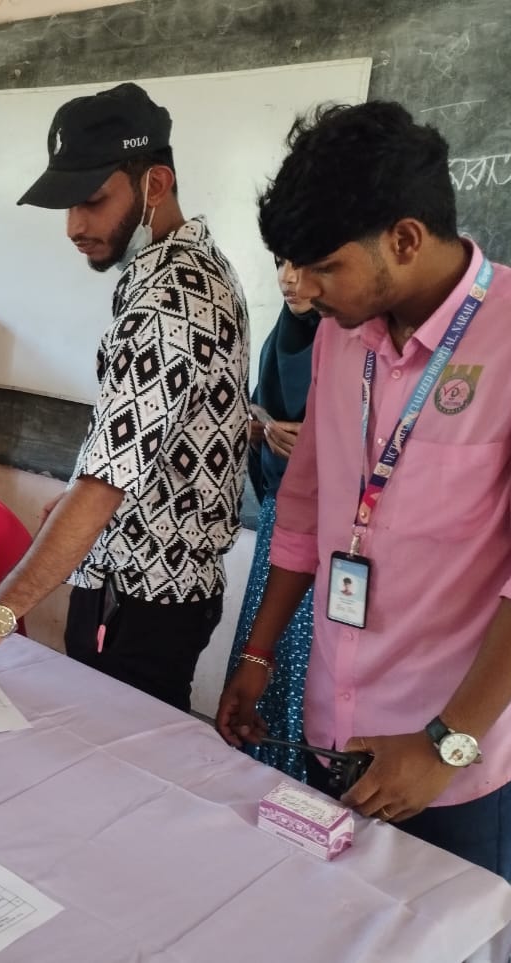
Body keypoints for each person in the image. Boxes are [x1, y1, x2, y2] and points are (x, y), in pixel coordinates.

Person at [215, 101, 511, 882]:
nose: (308, 289)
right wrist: (256, 652)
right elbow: (301, 511)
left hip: (452, 765)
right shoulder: (339, 337)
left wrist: (445, 743)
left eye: (325, 267)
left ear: (405, 239)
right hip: (331, 727)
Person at [0, 82, 250, 710]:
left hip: (143, 595)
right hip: (138, 581)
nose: (74, 227)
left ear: (156, 183)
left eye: (93, 202)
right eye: (67, 205)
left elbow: (103, 487)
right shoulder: (187, 267)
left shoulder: (170, 300)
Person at [226, 258, 320, 781]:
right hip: (282, 524)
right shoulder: (284, 337)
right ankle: (258, 779)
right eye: (280, 261)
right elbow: (259, 409)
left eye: (303, 262)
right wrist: (264, 431)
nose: (287, 277)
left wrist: (321, 446)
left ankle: (300, 787)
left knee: (306, 669)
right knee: (264, 654)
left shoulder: (361, 345)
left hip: (335, 539)